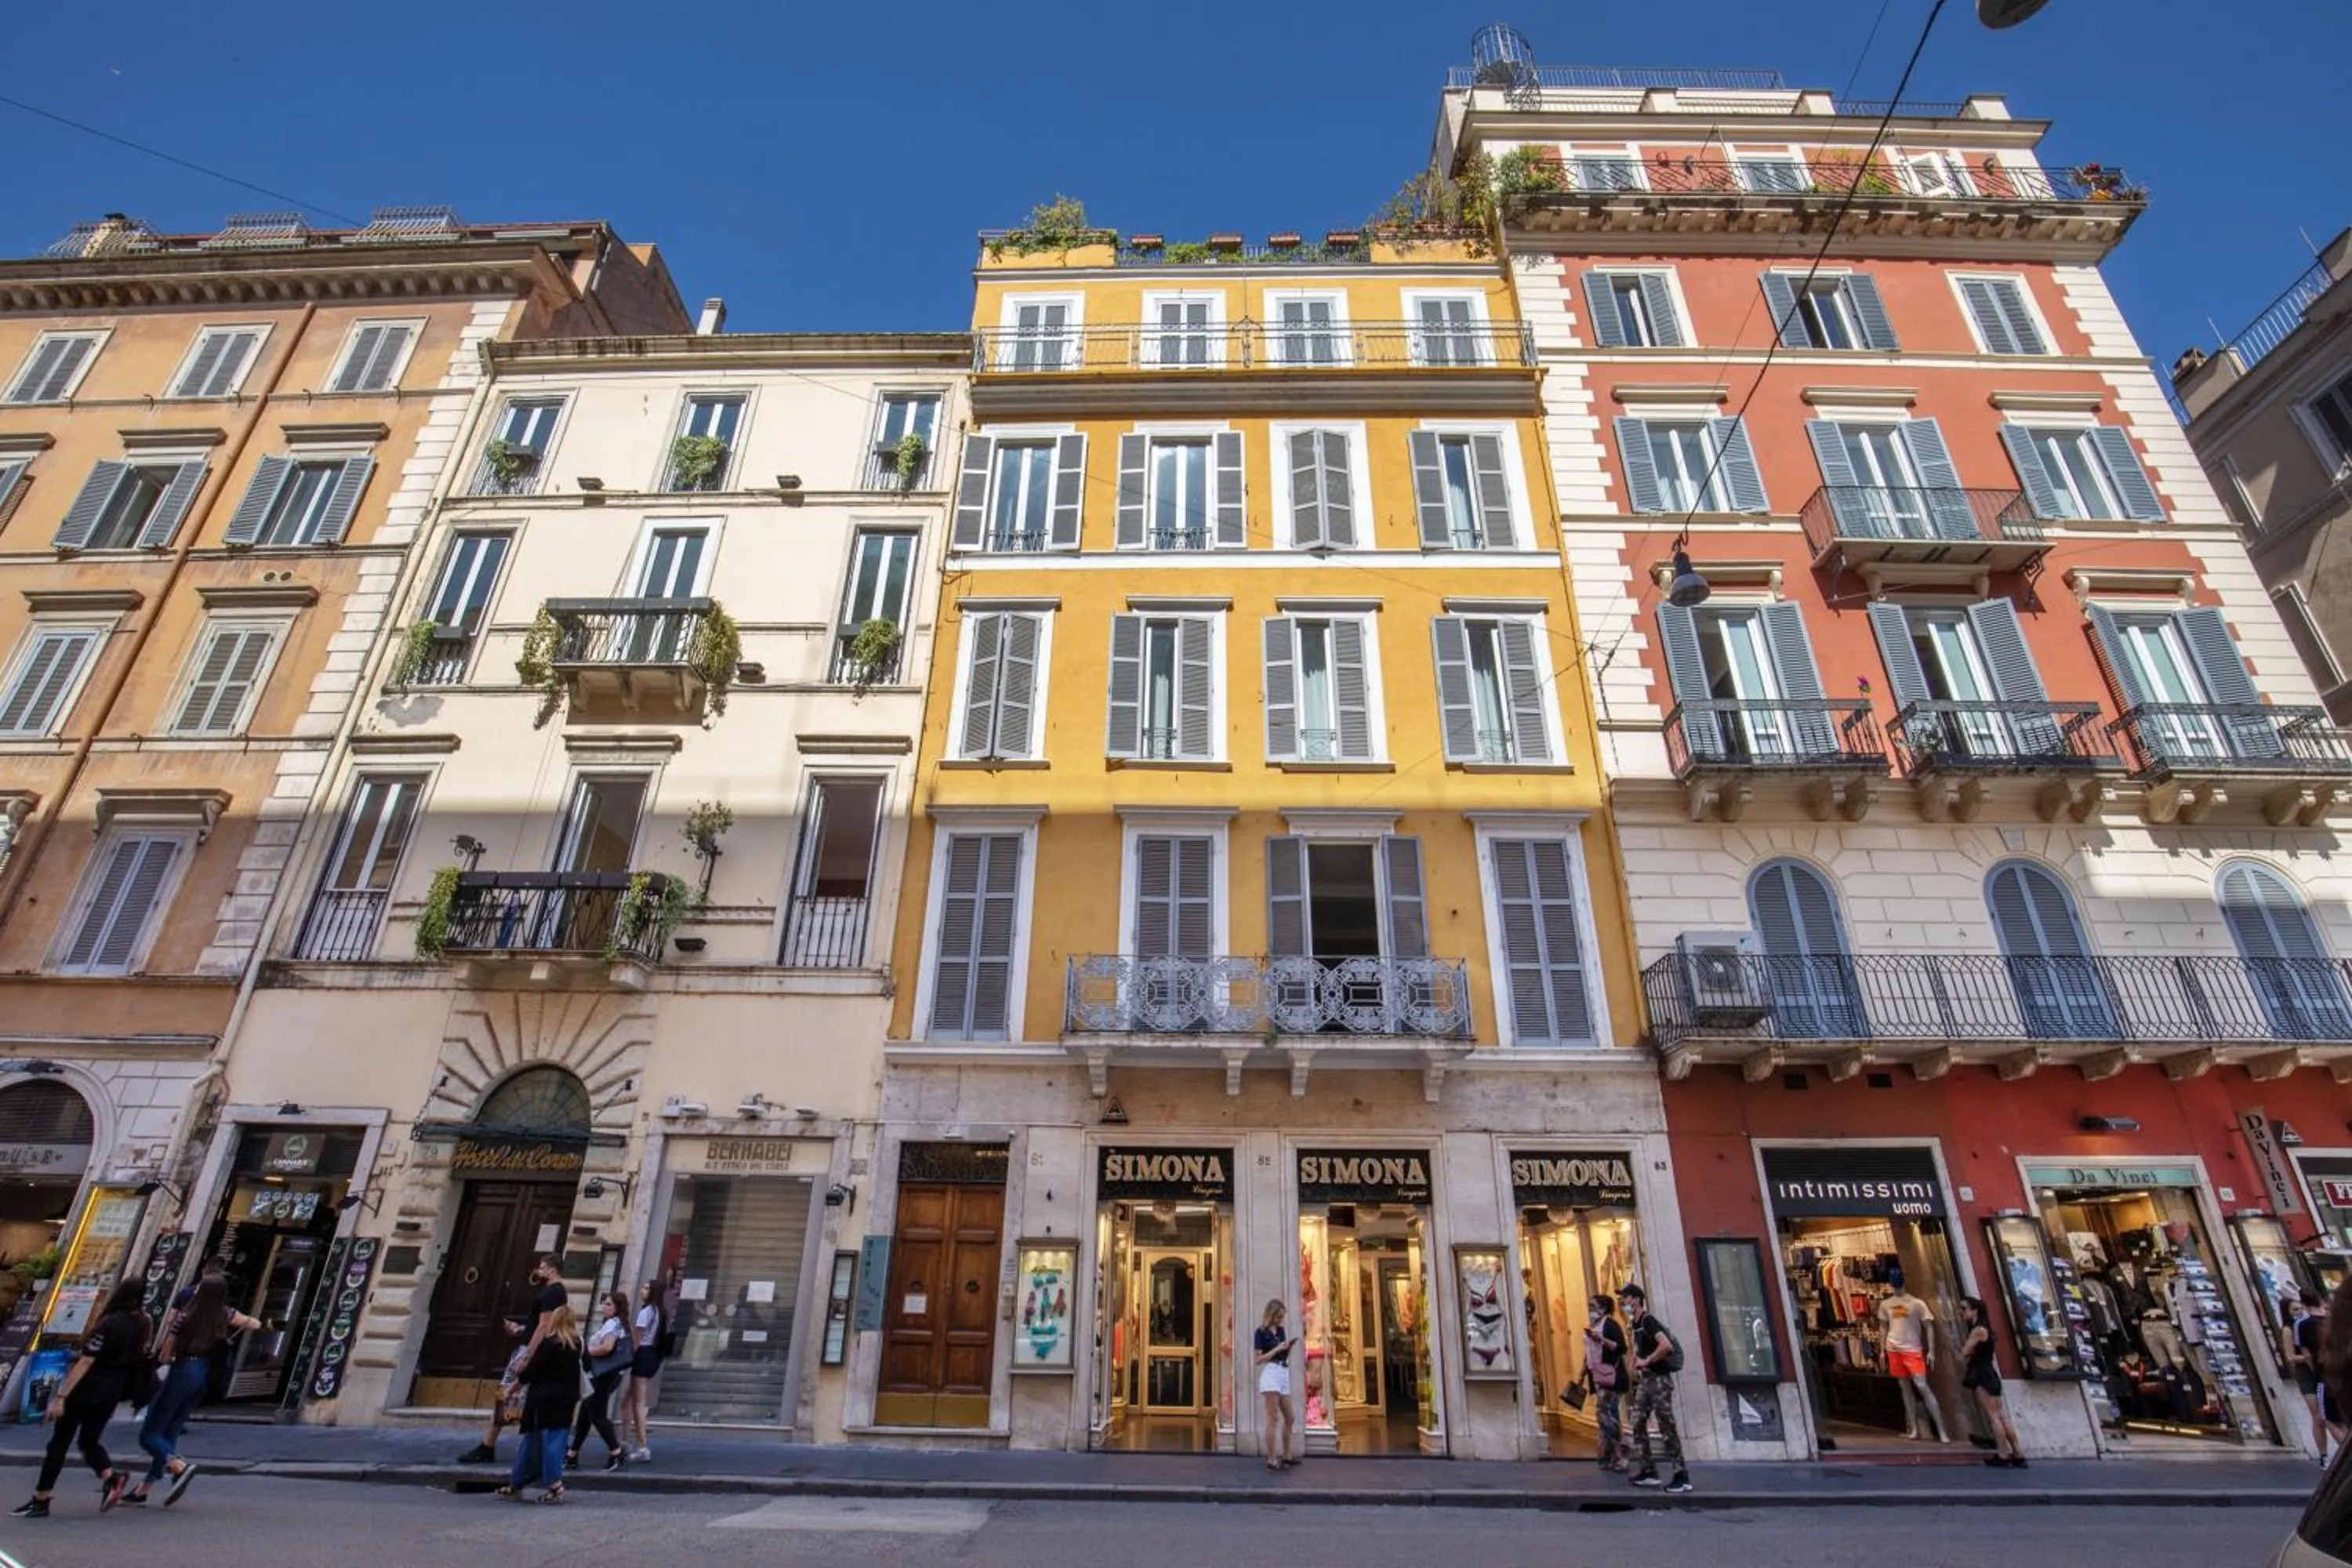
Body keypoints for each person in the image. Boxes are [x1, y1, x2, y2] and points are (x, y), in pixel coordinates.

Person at [9, 1279, 150, 1518]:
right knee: (89, 1440)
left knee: (59, 1443)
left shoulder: (108, 1324)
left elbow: (86, 1361)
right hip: (114, 1387)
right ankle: (110, 1476)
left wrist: (61, 1397)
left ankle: (41, 1498)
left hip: (89, 1385)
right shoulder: (142, 1322)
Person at [131, 1267, 260, 1505]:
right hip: (204, 1373)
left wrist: (168, 1357)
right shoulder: (225, 1314)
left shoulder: (184, 1318)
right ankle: (144, 1488)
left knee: (150, 1434)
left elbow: (165, 1355)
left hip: (182, 1370)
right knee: (170, 1431)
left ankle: (180, 1467)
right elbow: (254, 1323)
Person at [497, 1304, 583, 1503]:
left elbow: (530, 1372)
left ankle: (549, 1485)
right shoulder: (577, 1345)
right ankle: (521, 1483)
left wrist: (512, 1389)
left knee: (534, 1441)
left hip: (543, 1399)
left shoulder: (549, 1344)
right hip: (566, 1399)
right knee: (554, 1440)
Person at [1618, 1283, 1690, 1494]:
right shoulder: (1636, 1323)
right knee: (1637, 1421)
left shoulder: (1648, 1321)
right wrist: (1635, 1361)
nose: (1623, 1302)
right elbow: (1640, 1347)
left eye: (1626, 1298)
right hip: (1646, 1380)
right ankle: (1648, 1470)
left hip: (1659, 1380)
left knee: (1666, 1425)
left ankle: (1681, 1475)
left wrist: (1647, 1360)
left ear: (1637, 1299)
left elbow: (1665, 1345)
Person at [1958, 1296, 2025, 1468]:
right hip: (1990, 1373)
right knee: (2002, 1415)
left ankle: (2002, 1455)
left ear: (1975, 1311)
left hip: (1982, 1373)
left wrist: (1967, 1351)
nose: (1961, 1312)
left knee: (1993, 1416)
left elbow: (1964, 1352)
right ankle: (2018, 1454)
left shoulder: (1978, 1330)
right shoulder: (1985, 1328)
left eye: (1964, 1309)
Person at [569, 1290, 632, 1472]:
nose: (605, 1307)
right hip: (609, 1374)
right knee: (586, 1412)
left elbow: (607, 1347)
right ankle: (572, 1454)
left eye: (609, 1304)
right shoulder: (618, 1324)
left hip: (604, 1375)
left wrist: (585, 1351)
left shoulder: (613, 1324)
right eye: (605, 1303)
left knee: (597, 1414)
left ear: (617, 1308)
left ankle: (616, 1452)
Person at [459, 1318, 534, 1464]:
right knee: (511, 1398)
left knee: (507, 1396)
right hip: (531, 1350)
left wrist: (526, 1355)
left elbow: (544, 1326)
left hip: (529, 1351)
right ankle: (488, 1445)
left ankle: (488, 1447)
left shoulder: (550, 1303)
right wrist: (521, 1329)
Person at [620, 1279, 666, 1463]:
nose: (642, 1290)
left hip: (642, 1356)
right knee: (626, 1400)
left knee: (638, 1403)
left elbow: (636, 1341)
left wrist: (625, 1360)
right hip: (652, 1356)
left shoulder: (646, 1312)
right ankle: (624, 1441)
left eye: (647, 1288)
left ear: (653, 1292)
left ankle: (642, 1447)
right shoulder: (659, 1311)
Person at [1584, 1291, 1628, 1472]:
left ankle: (1621, 1452)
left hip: (1611, 1376)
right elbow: (1589, 1352)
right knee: (1605, 1416)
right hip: (1598, 1376)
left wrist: (1601, 1339)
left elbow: (1621, 1348)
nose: (1590, 1310)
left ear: (1602, 1308)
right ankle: (1609, 1456)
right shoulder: (1594, 1325)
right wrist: (1582, 1373)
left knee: (1606, 1415)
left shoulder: (1610, 1325)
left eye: (1593, 1306)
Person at [1253, 1298, 1298, 1472]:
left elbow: (1283, 1354)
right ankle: (1272, 1460)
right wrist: (1277, 1349)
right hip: (1271, 1373)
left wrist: (1287, 1348)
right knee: (1273, 1417)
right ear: (1271, 1315)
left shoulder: (1280, 1331)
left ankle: (1286, 1456)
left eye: (1282, 1317)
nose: (1280, 1320)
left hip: (1283, 1372)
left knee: (1290, 1417)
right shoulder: (1260, 1332)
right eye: (1278, 1317)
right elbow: (1258, 1359)